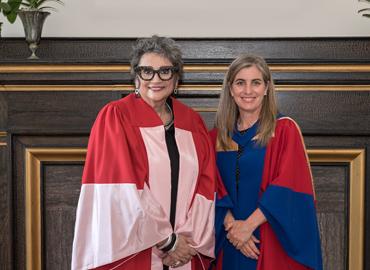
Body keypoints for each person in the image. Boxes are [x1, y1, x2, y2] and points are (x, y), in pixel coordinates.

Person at [71, 35, 217, 270]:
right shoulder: (116, 117)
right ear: (136, 76)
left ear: (176, 77)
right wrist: (168, 241)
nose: (156, 79)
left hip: (184, 253)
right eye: (146, 71)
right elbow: (122, 189)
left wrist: (186, 243)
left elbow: (206, 186)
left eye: (165, 71)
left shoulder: (192, 122)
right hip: (134, 250)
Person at [210, 54, 323, 270]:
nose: (248, 91)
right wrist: (233, 227)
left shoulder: (283, 131)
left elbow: (289, 186)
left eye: (256, 82)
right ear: (231, 89)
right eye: (240, 83)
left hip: (269, 239)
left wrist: (248, 227)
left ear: (267, 87)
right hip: (229, 241)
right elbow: (210, 187)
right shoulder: (215, 138)